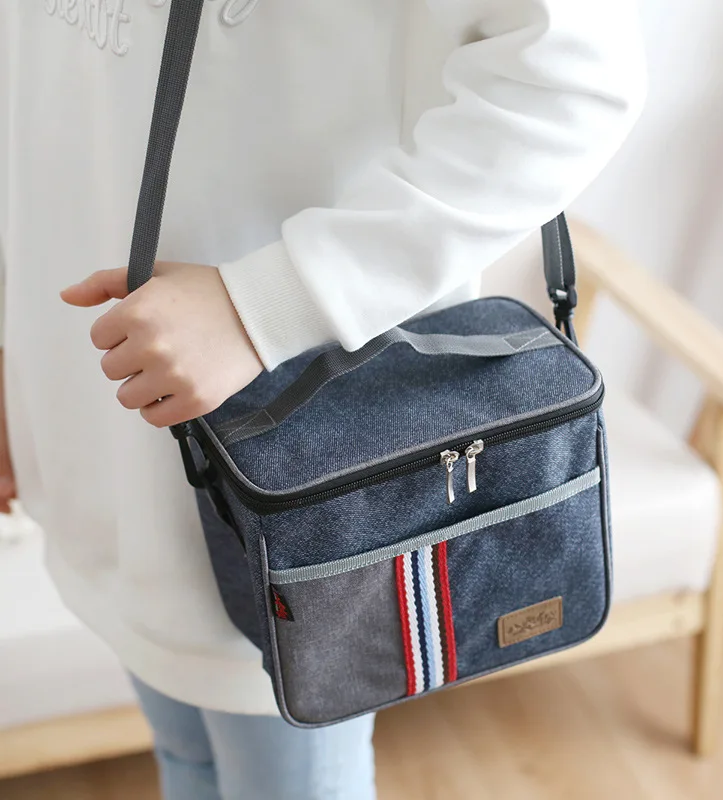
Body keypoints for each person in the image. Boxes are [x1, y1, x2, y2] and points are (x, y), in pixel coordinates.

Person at [0, 1, 646, 798]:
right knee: (185, 755)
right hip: (100, 430)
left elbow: (575, 80)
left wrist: (266, 304)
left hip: (290, 473)